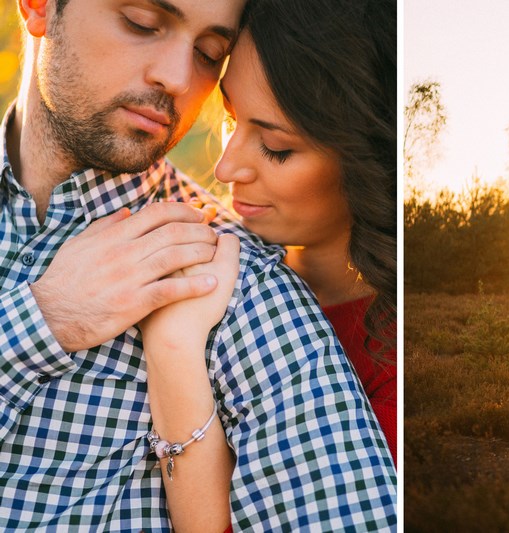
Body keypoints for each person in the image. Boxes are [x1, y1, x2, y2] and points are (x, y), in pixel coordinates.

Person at [0, 1, 396, 531]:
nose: (177, 79)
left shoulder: (240, 287)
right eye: (141, 21)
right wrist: (42, 320)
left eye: (210, 54)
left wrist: (173, 351)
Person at [139, 0, 398, 527]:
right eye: (231, 118)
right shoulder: (207, 247)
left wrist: (173, 351)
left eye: (276, 148)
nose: (226, 165)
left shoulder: (394, 376)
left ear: (368, 161)